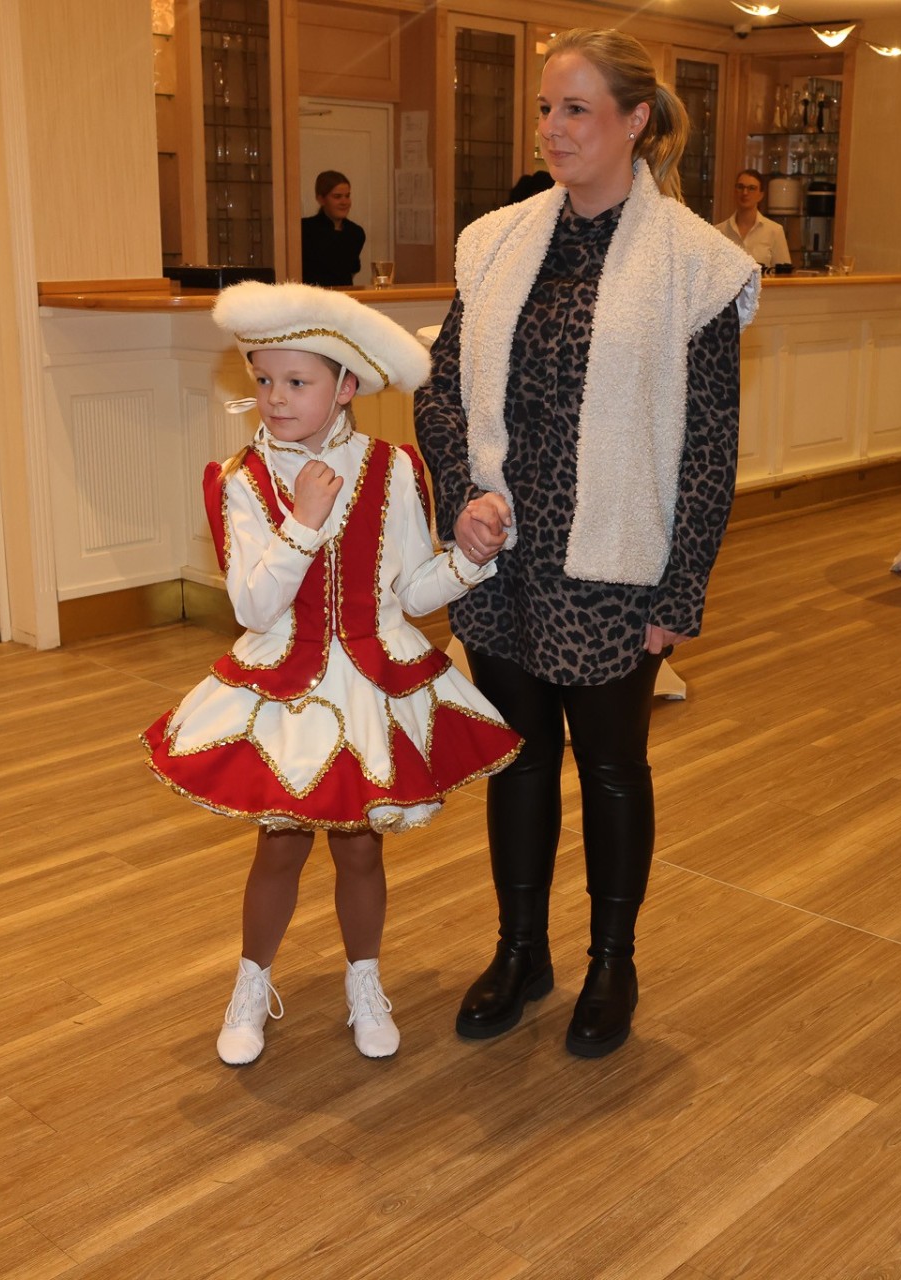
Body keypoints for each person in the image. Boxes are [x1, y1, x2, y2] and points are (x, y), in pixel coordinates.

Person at [414, 28, 758, 1059]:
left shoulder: (694, 264)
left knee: (611, 768)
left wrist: (679, 592)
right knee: (517, 764)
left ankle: (614, 964)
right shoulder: (497, 242)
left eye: (575, 109)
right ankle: (521, 951)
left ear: (635, 121)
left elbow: (710, 444)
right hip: (507, 557)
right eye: (544, 109)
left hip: (616, 568)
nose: (552, 129)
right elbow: (441, 391)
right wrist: (462, 498)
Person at [143, 281, 521, 1067]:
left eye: (297, 381)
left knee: (360, 849)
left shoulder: (394, 468)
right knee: (279, 844)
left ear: (346, 387)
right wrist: (302, 524)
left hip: (371, 682)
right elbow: (253, 605)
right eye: (263, 379)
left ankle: (365, 983)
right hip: (287, 684)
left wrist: (468, 561)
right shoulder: (242, 479)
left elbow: (410, 592)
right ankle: (251, 984)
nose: (276, 398)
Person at [714, 169, 791, 270]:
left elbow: (783, 275)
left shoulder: (775, 231)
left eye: (752, 188)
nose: (745, 193)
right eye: (740, 187)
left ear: (761, 195)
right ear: (734, 191)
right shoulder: (718, 232)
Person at [300, 170, 366, 287]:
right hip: (311, 296)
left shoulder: (355, 233)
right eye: (337, 197)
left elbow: (350, 272)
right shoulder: (304, 229)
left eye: (347, 196)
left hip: (343, 296)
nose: (344, 202)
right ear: (321, 199)